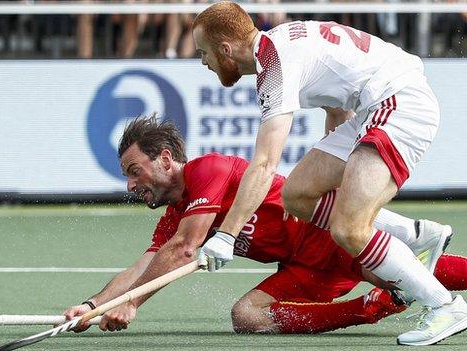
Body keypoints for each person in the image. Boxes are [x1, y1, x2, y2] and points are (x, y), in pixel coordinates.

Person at [191, 1, 467, 345]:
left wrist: (227, 234)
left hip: (398, 104)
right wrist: (331, 165)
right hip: (372, 107)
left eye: (204, 53)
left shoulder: (274, 69)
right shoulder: (280, 43)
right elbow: (336, 105)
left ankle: (445, 305)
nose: (203, 62)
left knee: (349, 230)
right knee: (299, 193)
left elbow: (264, 164)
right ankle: (417, 235)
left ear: (226, 49)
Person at [63, 115, 467, 335]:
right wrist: (96, 304)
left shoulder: (209, 170)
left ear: (165, 159)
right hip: (299, 267)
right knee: (248, 317)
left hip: (330, 239)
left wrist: (130, 303)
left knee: (425, 273)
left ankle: (404, 290)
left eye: (135, 171)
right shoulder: (174, 218)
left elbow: (184, 250)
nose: (131, 185)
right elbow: (143, 266)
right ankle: (369, 308)